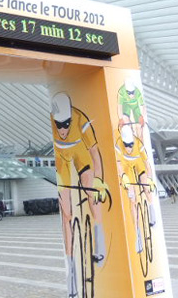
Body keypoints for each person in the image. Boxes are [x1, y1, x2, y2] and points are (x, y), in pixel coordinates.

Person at [51, 92, 109, 297]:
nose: (63, 129)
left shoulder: (81, 120)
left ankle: (99, 240)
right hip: (62, 159)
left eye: (66, 123)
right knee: (66, 213)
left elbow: (94, 152)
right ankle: (71, 269)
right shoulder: (52, 120)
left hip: (80, 154)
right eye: (59, 125)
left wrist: (98, 180)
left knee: (90, 191)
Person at [115, 125, 157, 254]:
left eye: (131, 144)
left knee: (145, 185)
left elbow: (146, 163)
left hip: (138, 164)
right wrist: (123, 177)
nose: (129, 148)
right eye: (126, 145)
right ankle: (137, 234)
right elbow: (119, 165)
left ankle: (151, 208)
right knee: (132, 199)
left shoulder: (138, 143)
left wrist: (149, 179)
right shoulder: (118, 145)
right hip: (126, 167)